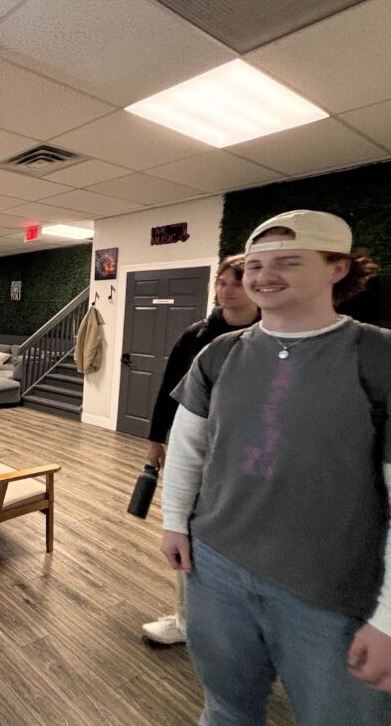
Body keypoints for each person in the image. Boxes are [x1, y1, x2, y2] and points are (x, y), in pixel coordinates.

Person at [161, 209, 391, 725]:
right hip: (215, 569)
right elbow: (188, 446)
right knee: (225, 709)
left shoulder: (376, 356)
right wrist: (175, 520)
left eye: (288, 262)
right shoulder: (218, 354)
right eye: (255, 265)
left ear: (338, 269)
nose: (264, 277)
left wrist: (389, 619)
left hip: (332, 590)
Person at [141, 255, 260, 646]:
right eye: (220, 282)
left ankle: (245, 621)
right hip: (197, 449)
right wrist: (155, 440)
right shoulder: (195, 337)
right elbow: (168, 390)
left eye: (234, 283)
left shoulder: (272, 335)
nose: (225, 290)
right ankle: (186, 619)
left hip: (252, 455)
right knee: (188, 530)